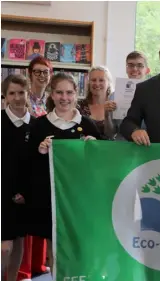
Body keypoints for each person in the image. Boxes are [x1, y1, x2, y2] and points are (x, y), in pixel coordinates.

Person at [27, 73, 100, 274]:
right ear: (51, 94)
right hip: (50, 197)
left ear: (76, 94)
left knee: (80, 241)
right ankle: (56, 276)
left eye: (69, 92)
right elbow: (28, 162)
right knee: (54, 242)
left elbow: (101, 165)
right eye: (59, 92)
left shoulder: (87, 125)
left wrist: (95, 149)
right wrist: (40, 150)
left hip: (80, 197)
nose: (64, 97)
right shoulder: (40, 125)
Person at [19, 56, 52, 281]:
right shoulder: (22, 98)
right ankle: (24, 269)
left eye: (45, 72)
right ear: (29, 73)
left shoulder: (51, 101)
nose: (41, 75)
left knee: (42, 212)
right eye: (37, 71)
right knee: (26, 216)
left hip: (45, 160)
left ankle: (40, 264)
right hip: (25, 157)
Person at [1, 75, 35, 281]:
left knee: (19, 243)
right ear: (4, 96)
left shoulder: (36, 125)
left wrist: (27, 192)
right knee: (5, 247)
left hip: (24, 195)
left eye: (21, 92)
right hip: (2, 191)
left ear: (27, 93)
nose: (17, 98)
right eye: (11, 93)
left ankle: (12, 278)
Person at [77, 66, 117, 140]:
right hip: (85, 149)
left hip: (110, 150)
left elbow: (114, 135)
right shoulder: (79, 106)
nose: (97, 83)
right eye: (93, 80)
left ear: (108, 83)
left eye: (101, 80)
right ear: (89, 82)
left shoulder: (115, 106)